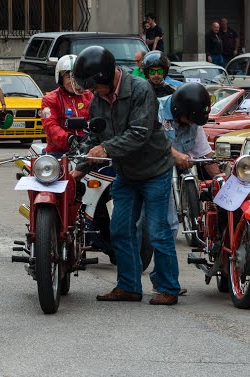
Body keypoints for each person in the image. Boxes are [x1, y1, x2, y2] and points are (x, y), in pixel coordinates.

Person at [72, 46, 179, 306]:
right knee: (120, 230)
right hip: (125, 174)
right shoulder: (98, 100)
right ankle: (129, 286)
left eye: (95, 86)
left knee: (157, 232)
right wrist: (78, 169)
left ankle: (168, 288)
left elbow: (139, 133)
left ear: (107, 76)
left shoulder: (141, 90)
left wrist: (106, 148)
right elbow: (94, 138)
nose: (92, 92)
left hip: (155, 171)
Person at [158, 83, 221, 246]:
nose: (193, 124)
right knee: (164, 223)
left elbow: (204, 153)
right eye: (191, 119)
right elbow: (153, 141)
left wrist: (222, 180)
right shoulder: (156, 111)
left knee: (170, 226)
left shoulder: (194, 122)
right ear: (180, 110)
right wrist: (176, 155)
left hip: (179, 162)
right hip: (152, 170)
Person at [41, 55, 93, 157]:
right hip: (58, 152)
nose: (73, 82)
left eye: (76, 77)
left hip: (87, 148)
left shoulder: (90, 96)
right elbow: (50, 126)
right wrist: (68, 139)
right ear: (61, 79)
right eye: (69, 77)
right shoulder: (49, 99)